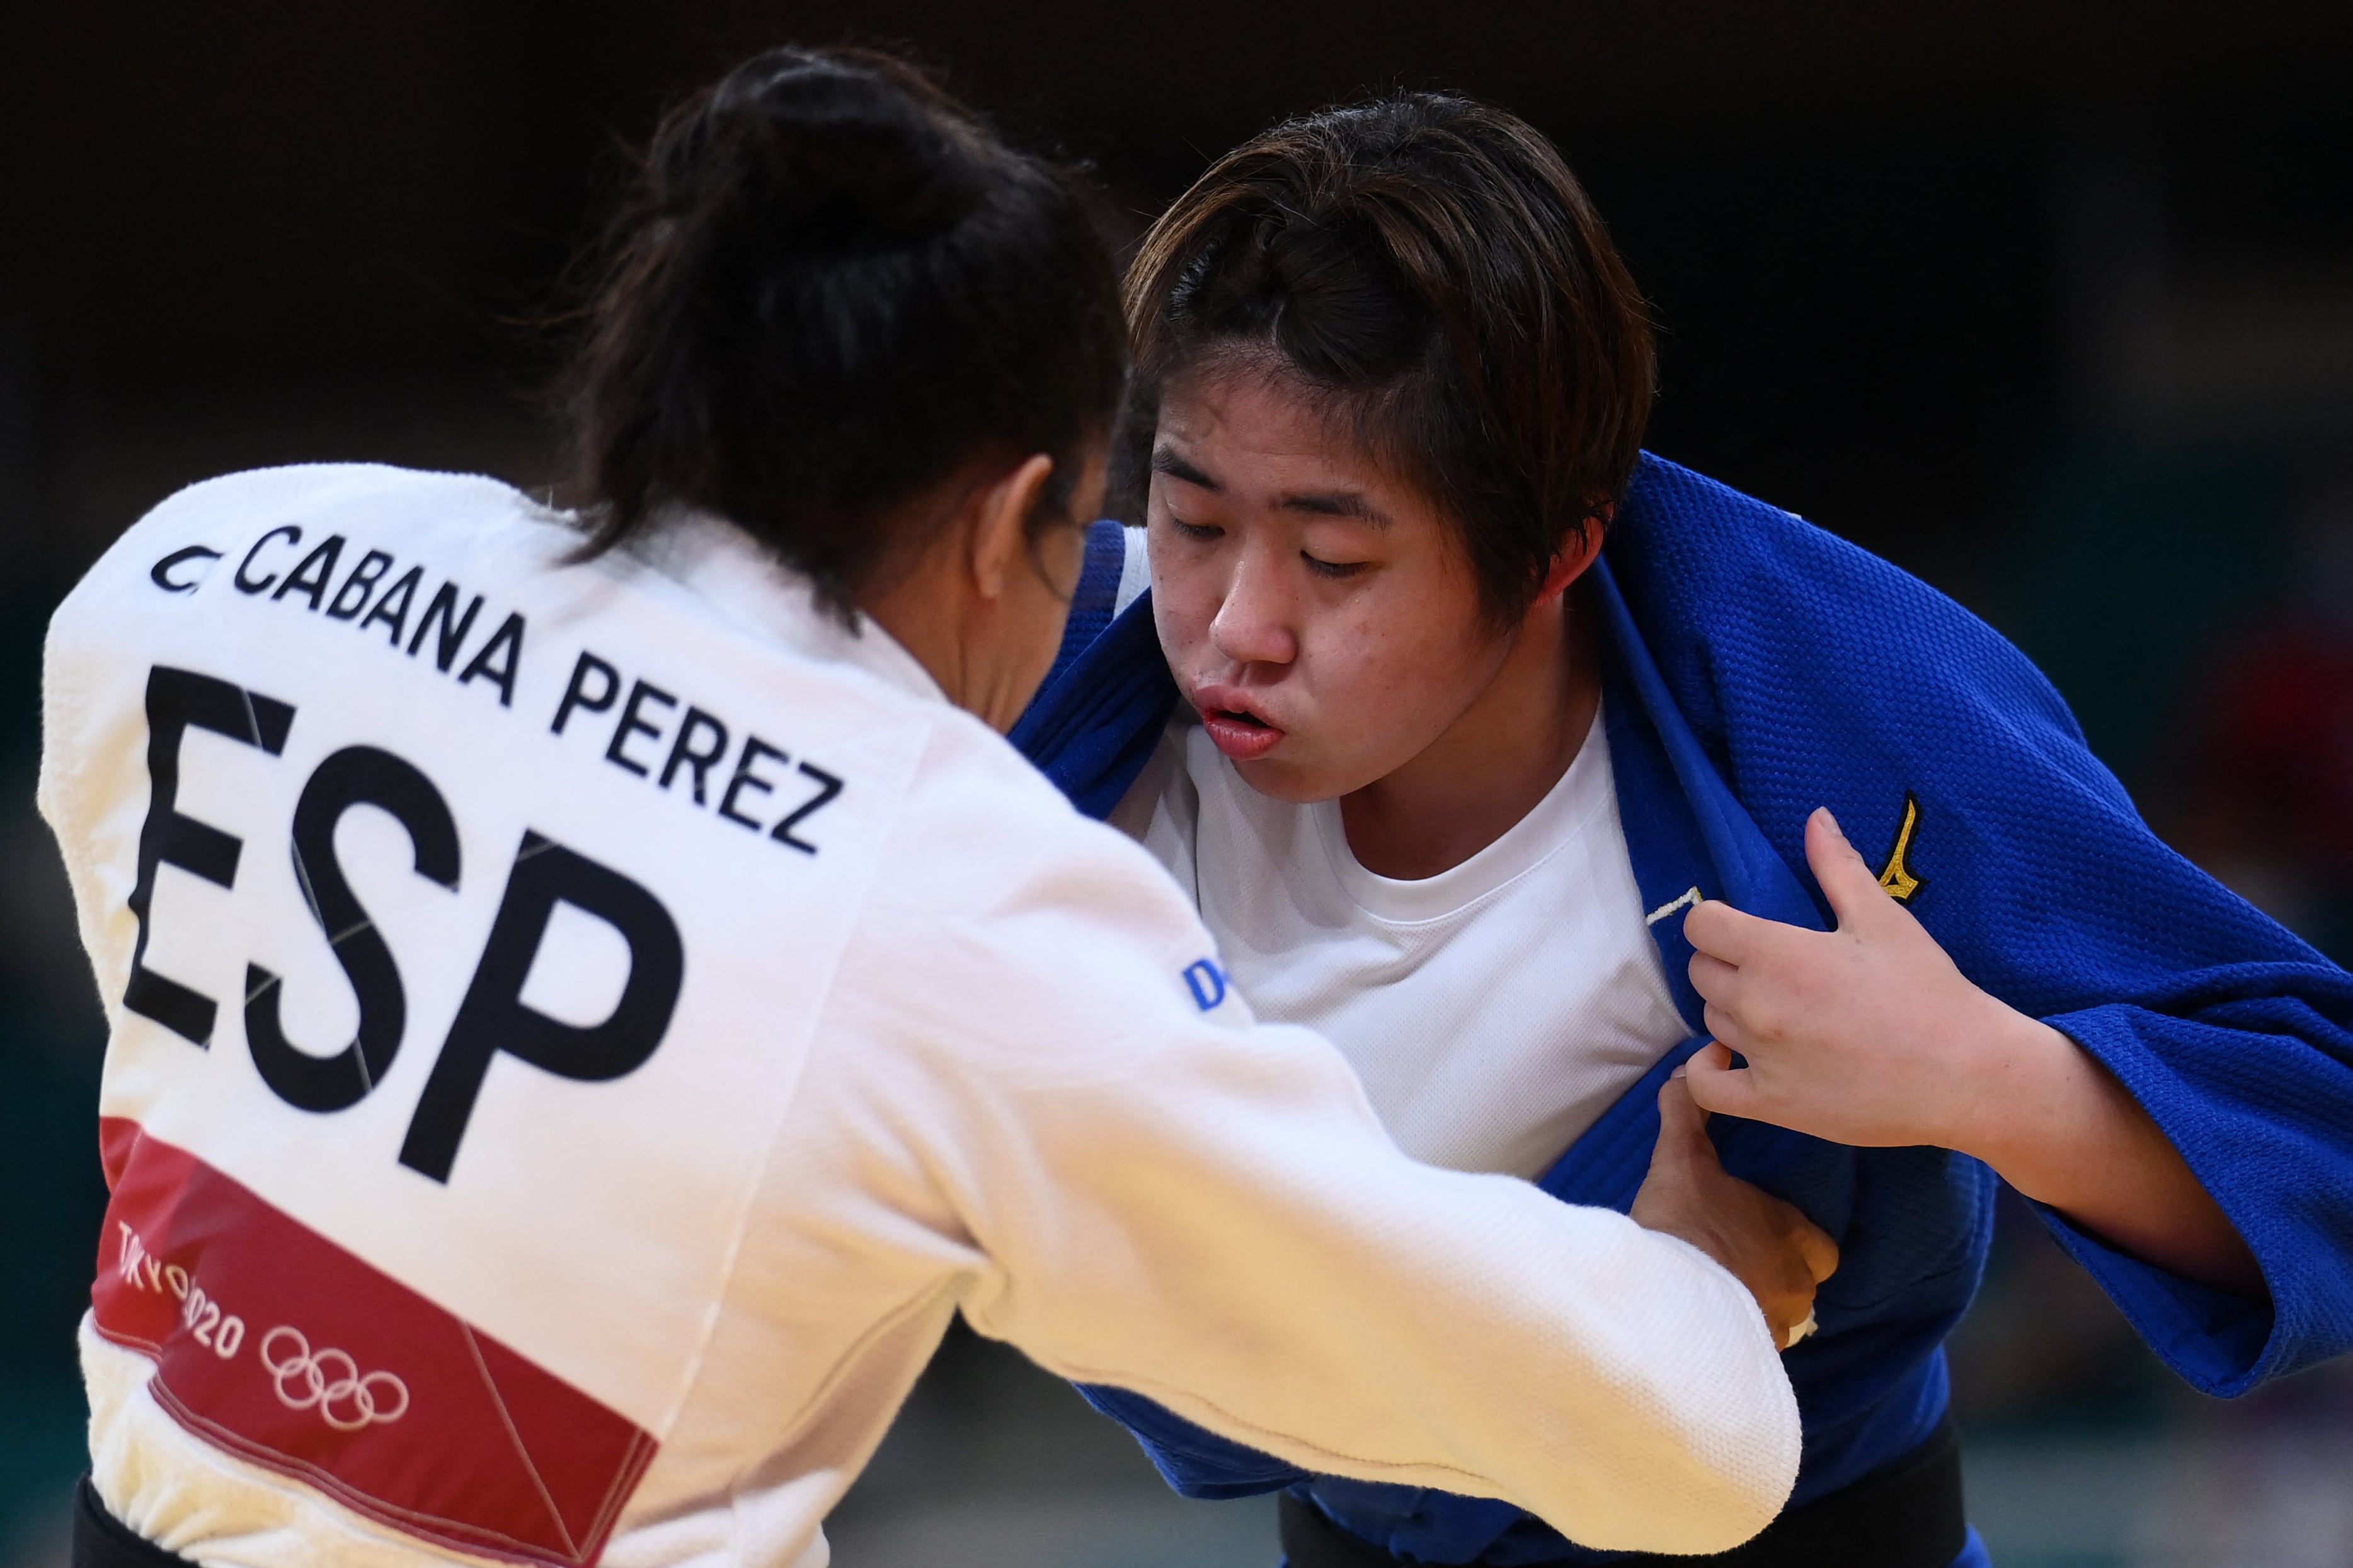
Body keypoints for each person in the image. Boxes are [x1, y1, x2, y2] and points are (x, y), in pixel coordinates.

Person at [40, 48, 1836, 1568]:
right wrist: (1686, 1297)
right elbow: (1685, 1455)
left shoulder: (219, 559)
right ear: (1007, 524)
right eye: (1137, 533)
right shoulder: (954, 911)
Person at [1012, 90, 2353, 1568]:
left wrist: (1979, 1077)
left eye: (1335, 558)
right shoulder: (1041, 657)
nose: (1234, 631)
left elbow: (2323, 1135)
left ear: (1559, 546)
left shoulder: (1828, 701)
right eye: (1193, 522)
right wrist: (1617, 1316)